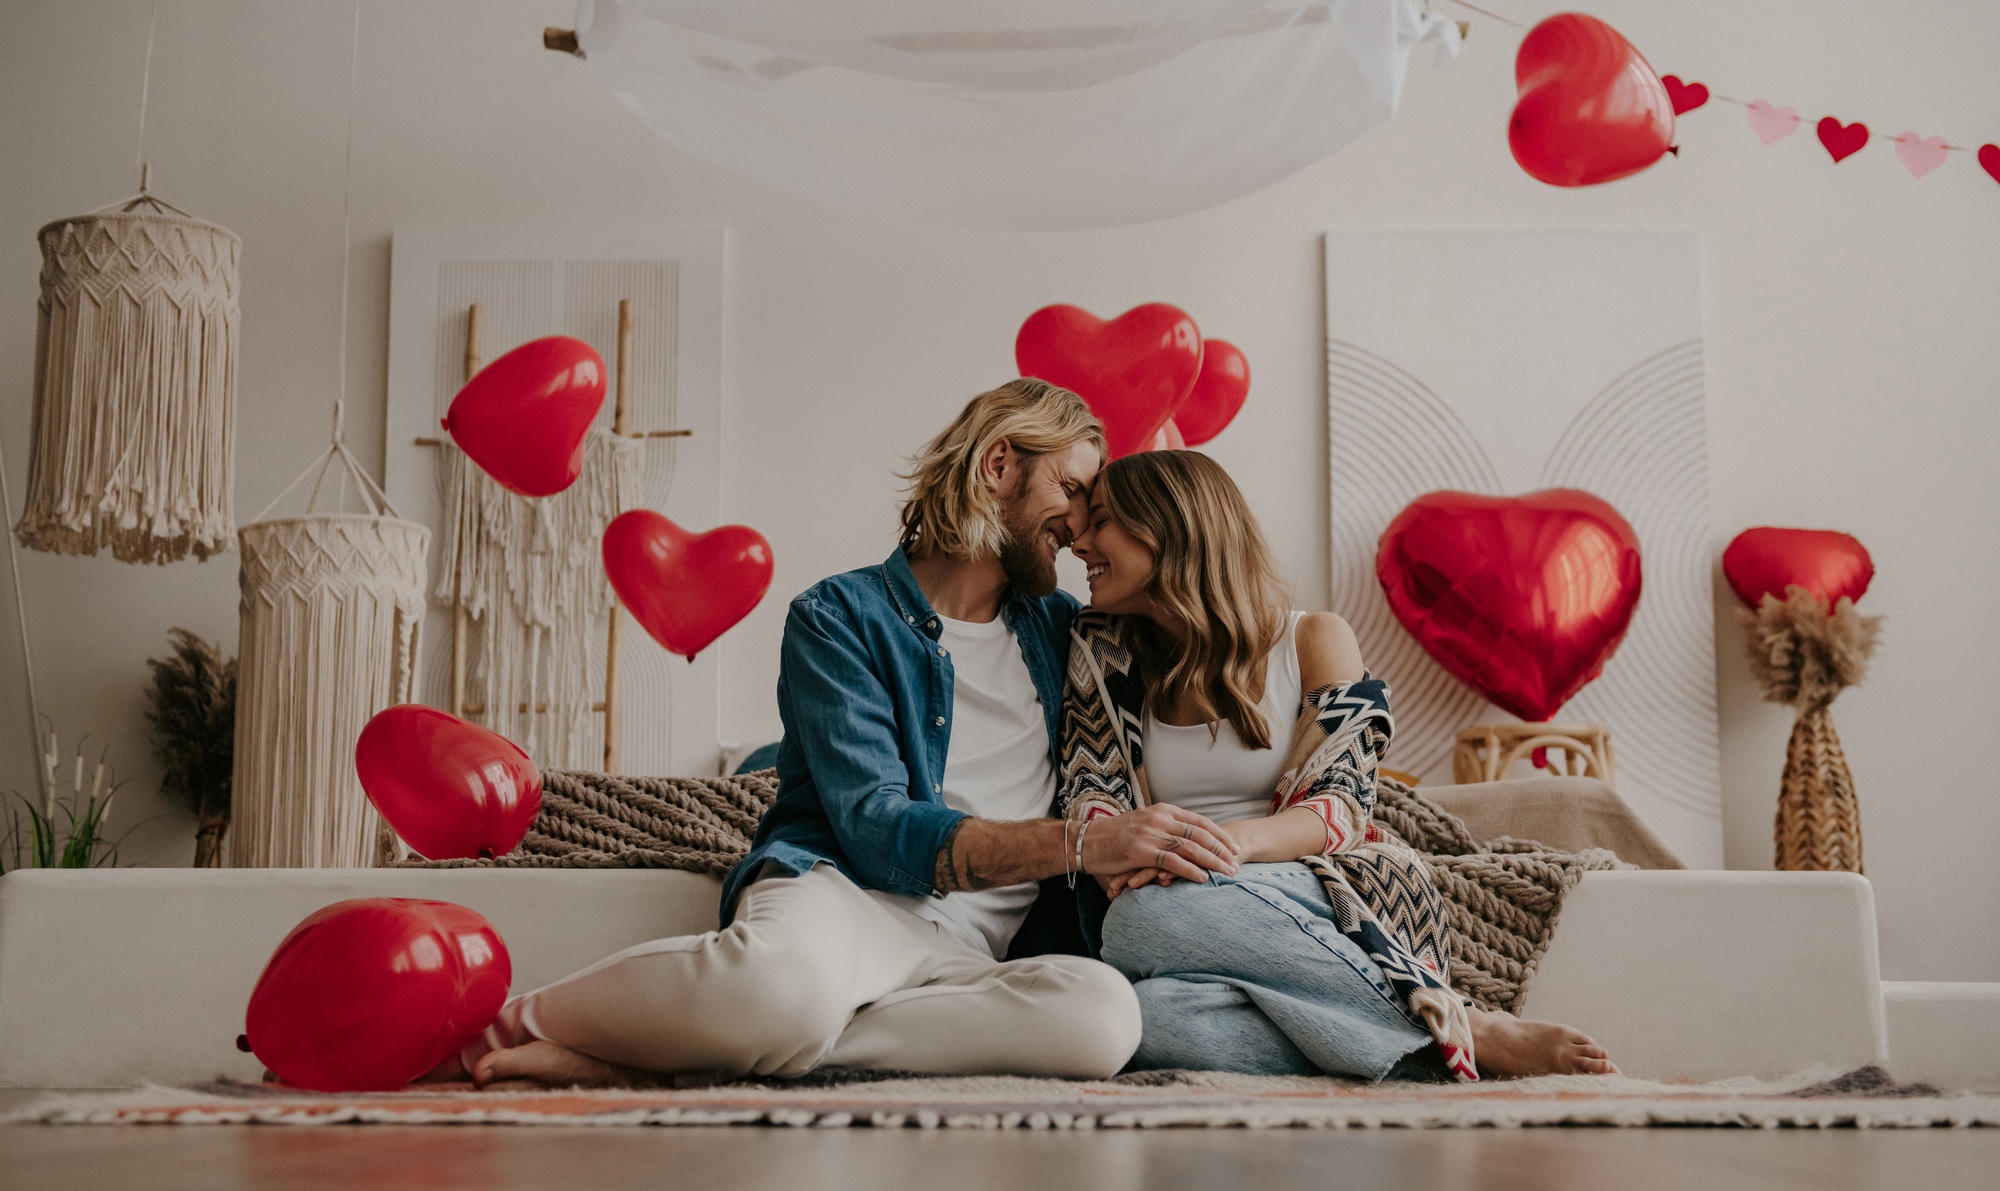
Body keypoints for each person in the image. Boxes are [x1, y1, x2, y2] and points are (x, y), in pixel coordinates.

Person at [455, 380, 1244, 1088]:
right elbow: (875, 827)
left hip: (968, 953)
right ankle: (502, 1028)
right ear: (999, 465)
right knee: (781, 987)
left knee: (1103, 1017)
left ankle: (688, 1057)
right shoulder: (839, 616)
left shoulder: (1066, 632)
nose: (1077, 529)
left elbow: (1198, 614)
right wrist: (1081, 843)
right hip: (840, 899)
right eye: (1070, 489)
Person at [1062, 449, 1617, 1080]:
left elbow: (1339, 808)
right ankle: (1423, 1051)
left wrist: (1216, 846)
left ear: (1170, 527)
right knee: (1147, 1016)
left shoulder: (1313, 640)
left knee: (1139, 923)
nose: (1079, 543)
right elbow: (1092, 795)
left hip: (1319, 883)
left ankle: (1467, 1023)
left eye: (1100, 521)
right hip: (1180, 895)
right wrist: (1143, 855)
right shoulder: (1099, 652)